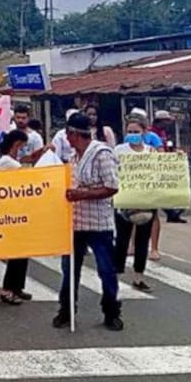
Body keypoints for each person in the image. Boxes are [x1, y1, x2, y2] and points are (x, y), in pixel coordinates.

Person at [54, 111, 123, 332]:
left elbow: (112, 186)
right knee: (69, 270)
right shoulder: (72, 158)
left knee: (106, 269)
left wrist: (82, 194)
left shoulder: (102, 153)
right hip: (75, 222)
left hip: (98, 223)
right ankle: (66, 310)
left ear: (74, 134)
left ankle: (111, 311)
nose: (67, 139)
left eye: (68, 134)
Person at [112, 117, 155, 293]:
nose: (132, 135)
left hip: (145, 199)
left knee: (142, 240)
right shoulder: (118, 150)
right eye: (130, 132)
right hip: (124, 200)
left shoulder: (151, 151)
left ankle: (139, 277)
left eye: (136, 132)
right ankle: (115, 276)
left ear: (144, 132)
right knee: (122, 239)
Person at [0, 130, 32, 305]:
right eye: (21, 146)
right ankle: (7, 289)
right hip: (11, 211)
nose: (22, 150)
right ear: (16, 144)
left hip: (20, 209)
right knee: (17, 253)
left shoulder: (11, 160)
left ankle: (17, 287)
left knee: (23, 252)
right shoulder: (6, 161)